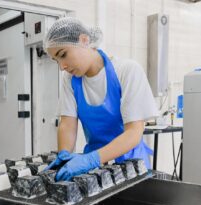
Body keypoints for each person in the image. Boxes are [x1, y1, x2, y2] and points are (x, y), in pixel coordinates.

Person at [44, 17, 159, 181]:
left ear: (84, 40)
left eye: (63, 55)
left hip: (130, 166)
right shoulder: (69, 80)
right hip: (95, 171)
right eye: (57, 60)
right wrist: (65, 157)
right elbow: (67, 123)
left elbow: (134, 132)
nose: (62, 66)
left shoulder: (126, 71)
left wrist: (91, 159)